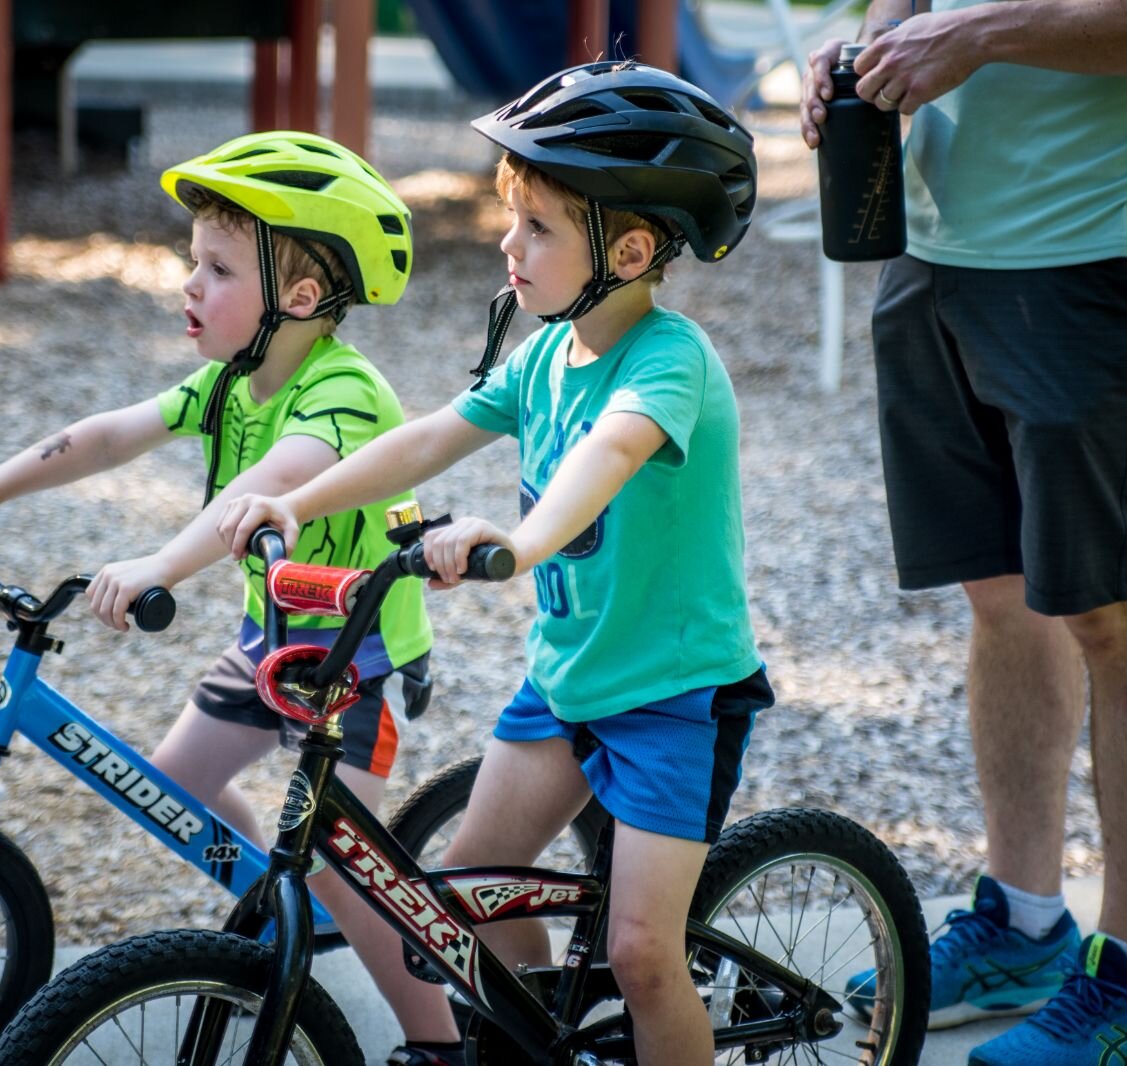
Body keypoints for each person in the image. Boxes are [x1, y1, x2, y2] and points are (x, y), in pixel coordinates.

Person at [219, 61, 770, 1066]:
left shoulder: (668, 362)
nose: (507, 245)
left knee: (647, 956)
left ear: (631, 247)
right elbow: (426, 439)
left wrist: (512, 545)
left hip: (674, 695)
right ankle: (539, 1035)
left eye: (538, 228)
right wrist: (291, 501)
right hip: (568, 678)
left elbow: (603, 460)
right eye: (512, 221)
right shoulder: (540, 356)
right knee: (476, 879)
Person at [0, 130, 465, 1063]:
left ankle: (439, 1043)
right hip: (272, 635)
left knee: (340, 868)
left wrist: (159, 567)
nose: (190, 285)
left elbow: (262, 498)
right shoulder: (232, 383)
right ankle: (266, 896)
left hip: (351, 660)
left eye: (217, 268)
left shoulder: (347, 397)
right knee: (174, 784)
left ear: (297, 297)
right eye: (191, 262)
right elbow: (112, 433)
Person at [799, 3, 1127, 1064]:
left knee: (1112, 609)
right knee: (999, 595)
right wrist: (860, 48)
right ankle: (1022, 922)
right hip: (933, 235)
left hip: (1098, 245)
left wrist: (981, 38)